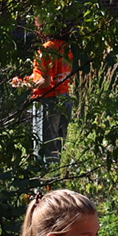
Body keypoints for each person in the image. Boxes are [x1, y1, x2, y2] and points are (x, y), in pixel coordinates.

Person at [18, 27, 74, 161]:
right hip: (65, 97)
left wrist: (22, 85)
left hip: (48, 101)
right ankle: (60, 175)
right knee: (60, 145)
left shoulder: (45, 49)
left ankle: (46, 178)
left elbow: (45, 82)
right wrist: (26, 79)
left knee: (45, 147)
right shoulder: (66, 47)